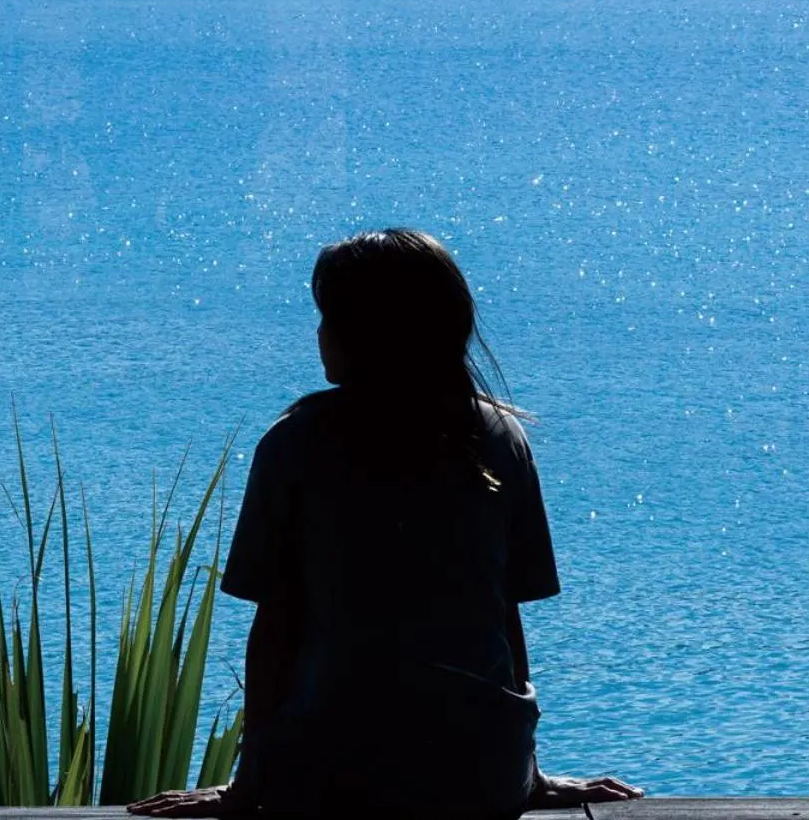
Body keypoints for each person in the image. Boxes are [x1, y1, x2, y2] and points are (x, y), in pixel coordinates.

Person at [129, 229, 643, 819]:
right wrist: (524, 771)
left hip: (334, 775)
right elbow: (504, 618)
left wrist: (250, 786)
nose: (317, 333)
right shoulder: (501, 440)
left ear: (368, 331)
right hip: (477, 775)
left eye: (328, 316)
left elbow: (275, 627)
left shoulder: (296, 444)